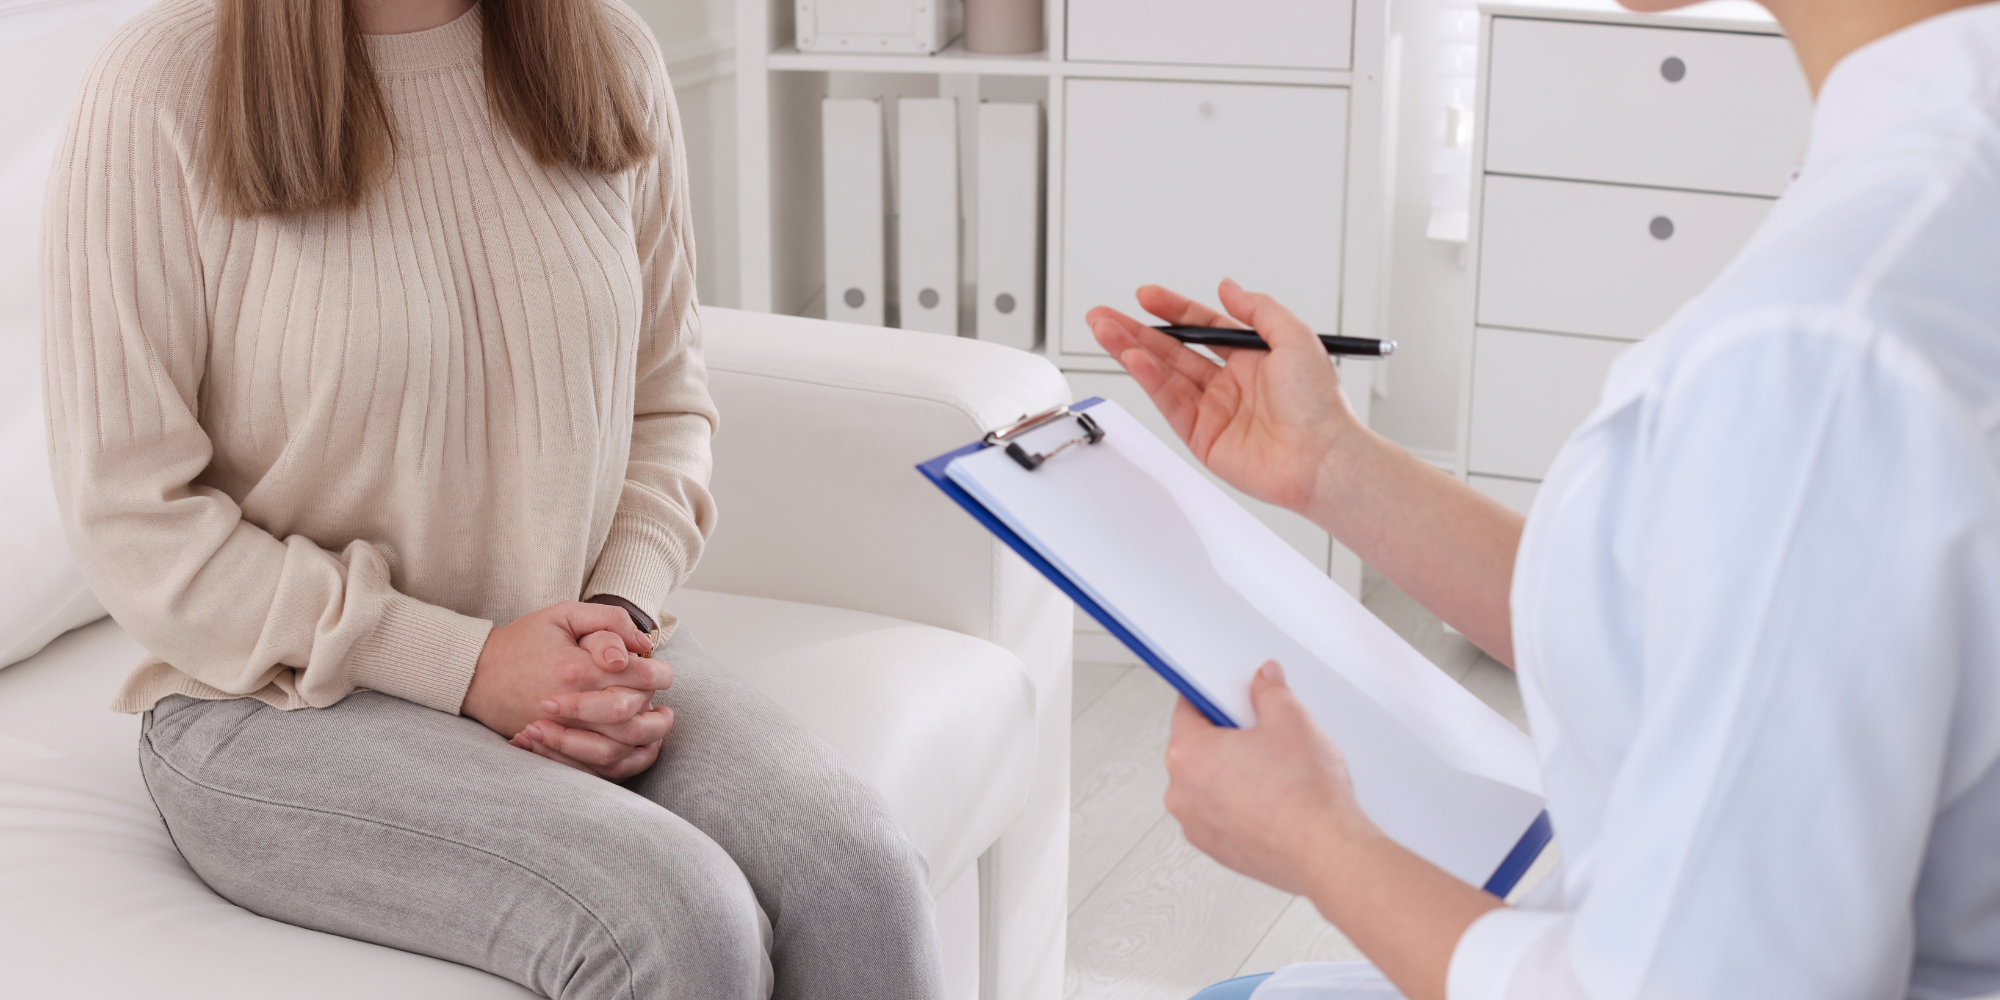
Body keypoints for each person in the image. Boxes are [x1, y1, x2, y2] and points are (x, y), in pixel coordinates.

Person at [1086, 0, 2000, 996]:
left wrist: (1316, 841)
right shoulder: (1925, 189)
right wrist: (1330, 463)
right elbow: (1673, 618)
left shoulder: (1826, 342)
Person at [41, 1, 942, 997]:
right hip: (281, 697)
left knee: (859, 879)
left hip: (573, 645)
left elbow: (667, 400)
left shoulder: (607, 51)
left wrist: (615, 619)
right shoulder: (161, 83)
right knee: (677, 918)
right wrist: (470, 665)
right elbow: (131, 513)